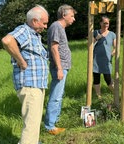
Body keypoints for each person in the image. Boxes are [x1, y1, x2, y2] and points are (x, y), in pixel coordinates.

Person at [1, 5, 49, 144]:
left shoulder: (33, 34)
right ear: (34, 21)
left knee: (33, 121)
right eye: (44, 23)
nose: (46, 26)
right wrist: (21, 61)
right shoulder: (25, 31)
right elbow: (7, 40)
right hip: (30, 85)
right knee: (31, 123)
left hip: (36, 84)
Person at [44, 4, 77, 135]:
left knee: (59, 95)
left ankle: (54, 121)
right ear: (64, 15)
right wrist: (59, 68)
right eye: (72, 16)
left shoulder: (60, 28)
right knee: (56, 96)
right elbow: (54, 48)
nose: (73, 19)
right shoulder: (56, 27)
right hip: (59, 67)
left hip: (62, 67)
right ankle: (50, 126)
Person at [93, 16, 116, 99]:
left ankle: (116, 94)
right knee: (96, 78)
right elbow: (89, 44)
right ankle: (99, 96)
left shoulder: (112, 34)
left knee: (108, 79)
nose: (106, 25)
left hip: (107, 60)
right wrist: (96, 38)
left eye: (108, 23)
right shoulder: (95, 32)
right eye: (104, 23)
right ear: (100, 23)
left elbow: (116, 47)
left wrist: (112, 53)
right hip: (96, 60)